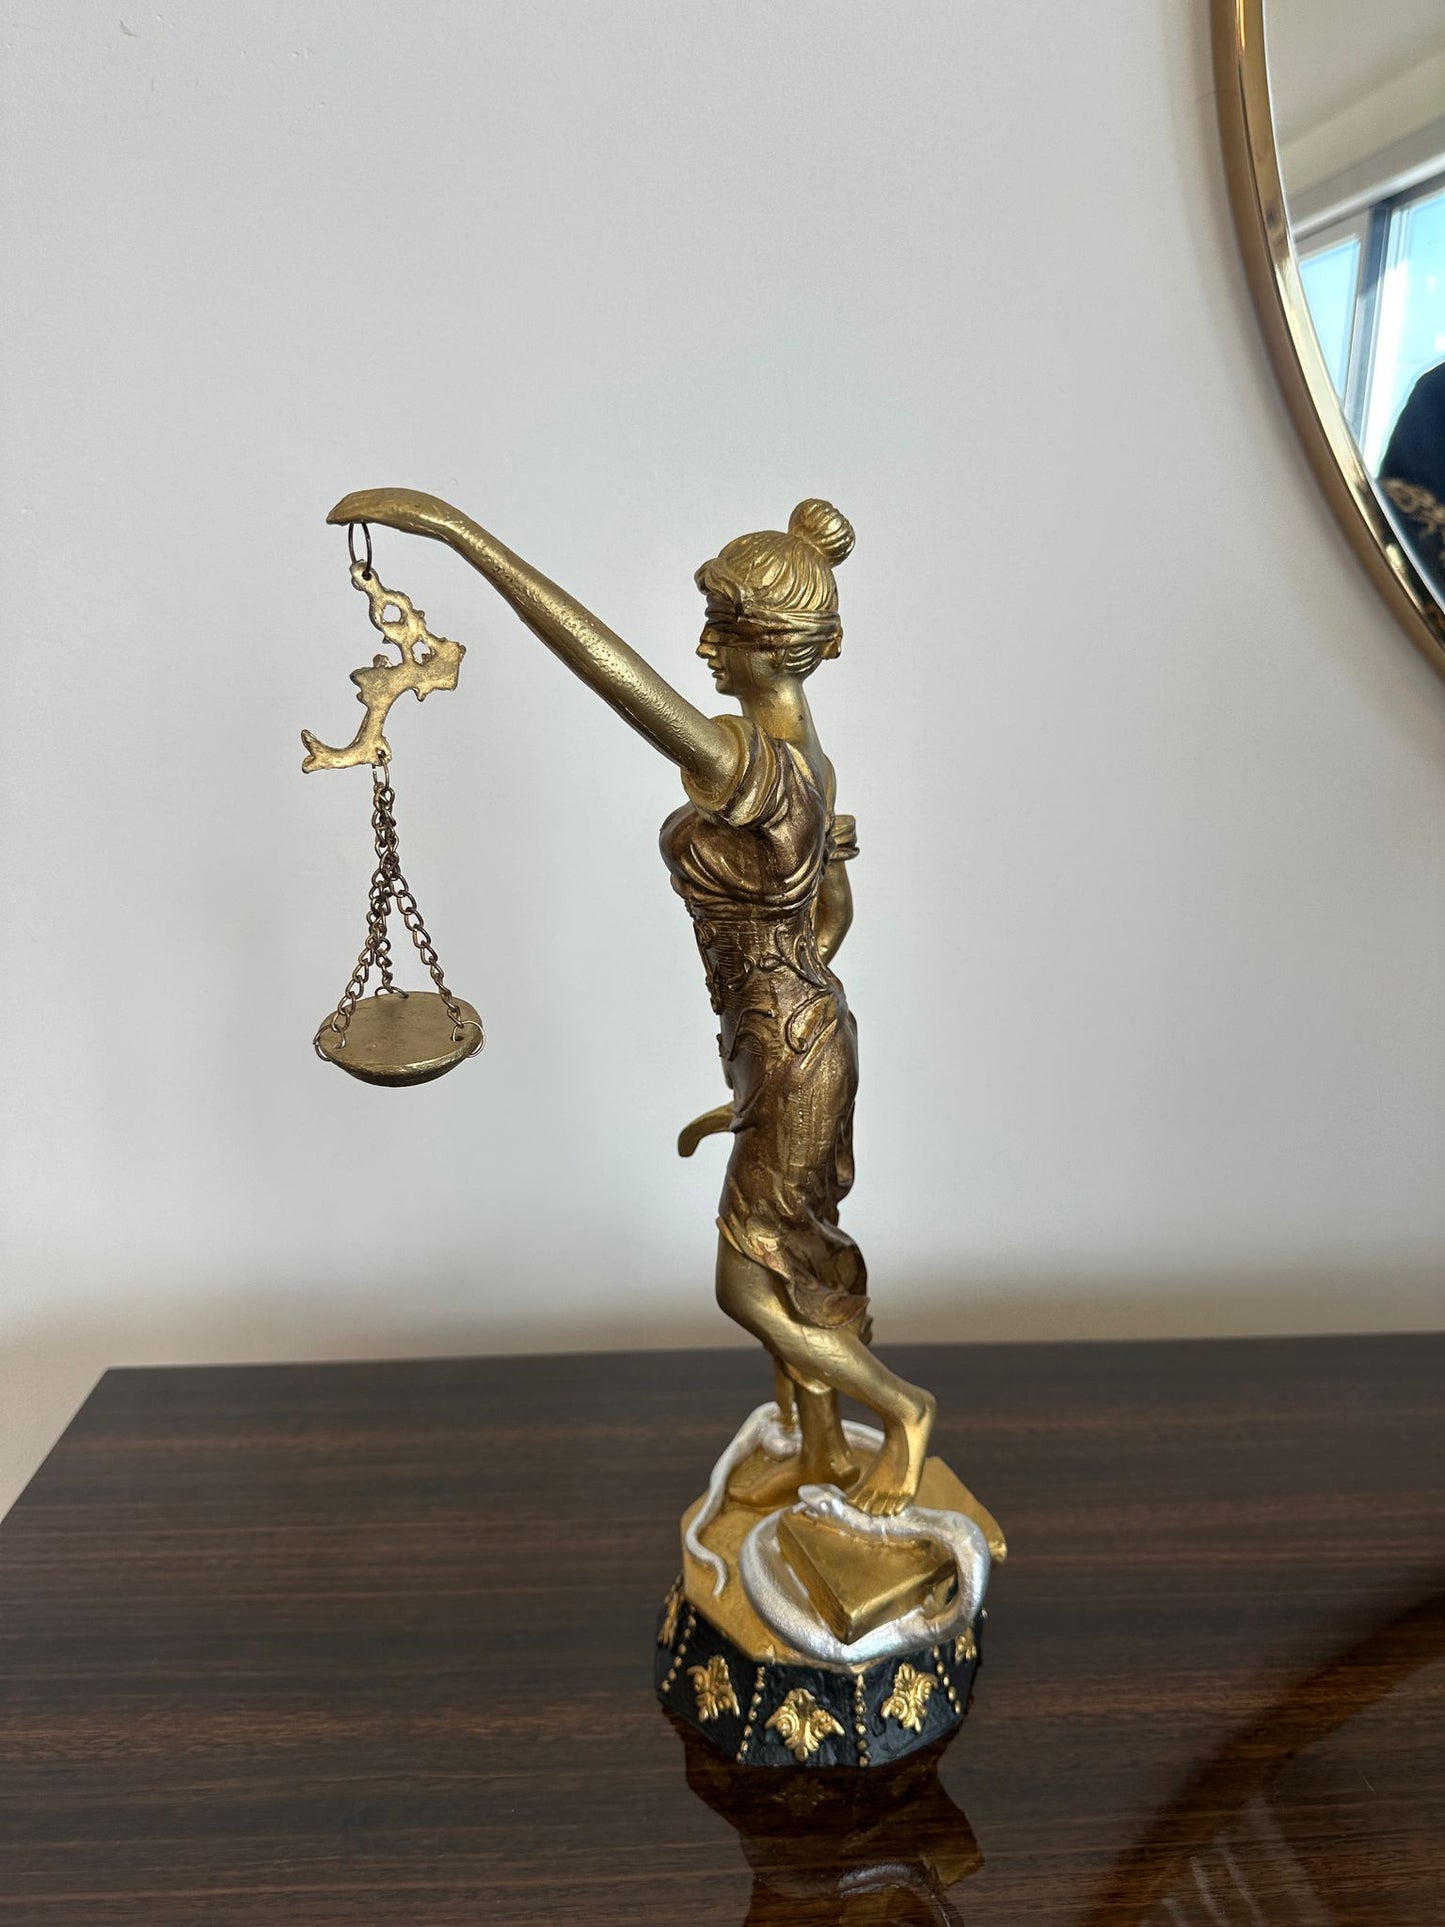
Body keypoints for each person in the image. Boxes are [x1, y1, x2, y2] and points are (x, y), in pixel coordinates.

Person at [327, 487, 935, 1513]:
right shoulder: (808, 762)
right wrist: (762, 1080)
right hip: (788, 1045)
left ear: (771, 645)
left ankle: (904, 1412)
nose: (702, 647)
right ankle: (823, 1449)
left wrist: (464, 537)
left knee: (743, 1284)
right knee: (794, 1262)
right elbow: (824, 926)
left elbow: (612, 673)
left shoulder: (749, 764)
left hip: (790, 1050)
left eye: (720, 629)